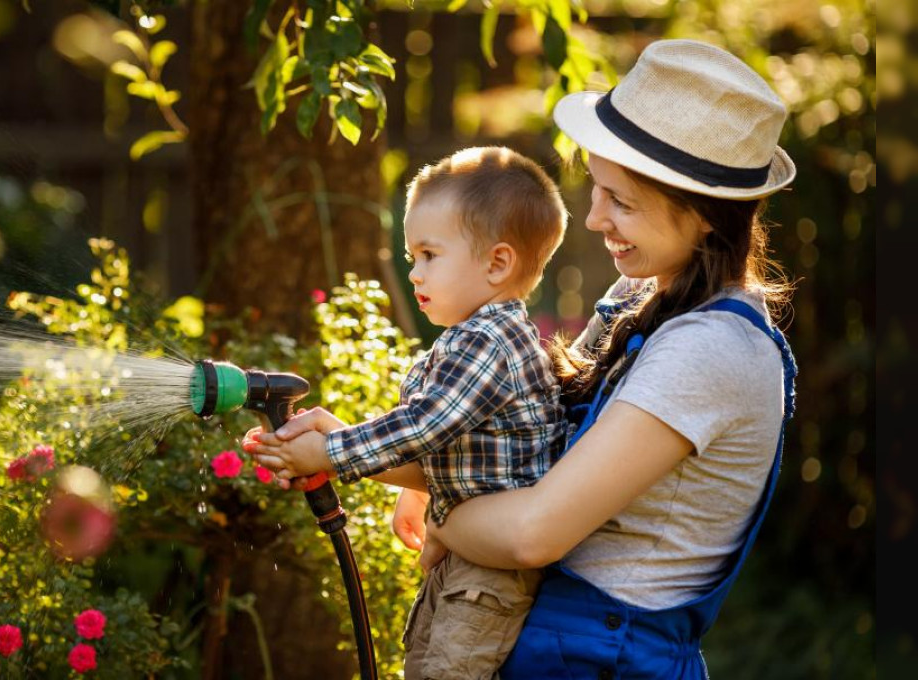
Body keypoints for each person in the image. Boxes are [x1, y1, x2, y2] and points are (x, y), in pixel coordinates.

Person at [253, 39, 799, 679]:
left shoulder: (712, 349)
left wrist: (438, 513)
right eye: (596, 189)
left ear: (706, 216)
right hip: (552, 644)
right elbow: (525, 469)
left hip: (606, 660)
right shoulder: (641, 299)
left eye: (621, 201)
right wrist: (346, 445)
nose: (594, 218)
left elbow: (530, 532)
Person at [245, 145, 569, 680]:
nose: (414, 272)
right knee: (420, 662)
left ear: (497, 262)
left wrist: (328, 450)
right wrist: (414, 489)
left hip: (491, 574)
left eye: (429, 255)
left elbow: (424, 424)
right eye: (411, 256)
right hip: (464, 556)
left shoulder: (491, 342)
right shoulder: (465, 340)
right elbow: (453, 434)